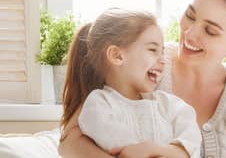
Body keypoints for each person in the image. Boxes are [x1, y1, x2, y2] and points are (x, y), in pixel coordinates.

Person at [59, 0, 226, 157]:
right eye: (190, 15)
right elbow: (69, 142)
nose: (190, 33)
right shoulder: (144, 65)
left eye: (210, 30)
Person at [60, 8, 201, 158]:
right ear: (117, 55)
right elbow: (127, 150)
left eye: (162, 52)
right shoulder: (99, 104)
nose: (162, 60)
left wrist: (159, 150)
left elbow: (191, 140)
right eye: (153, 50)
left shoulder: (168, 104)